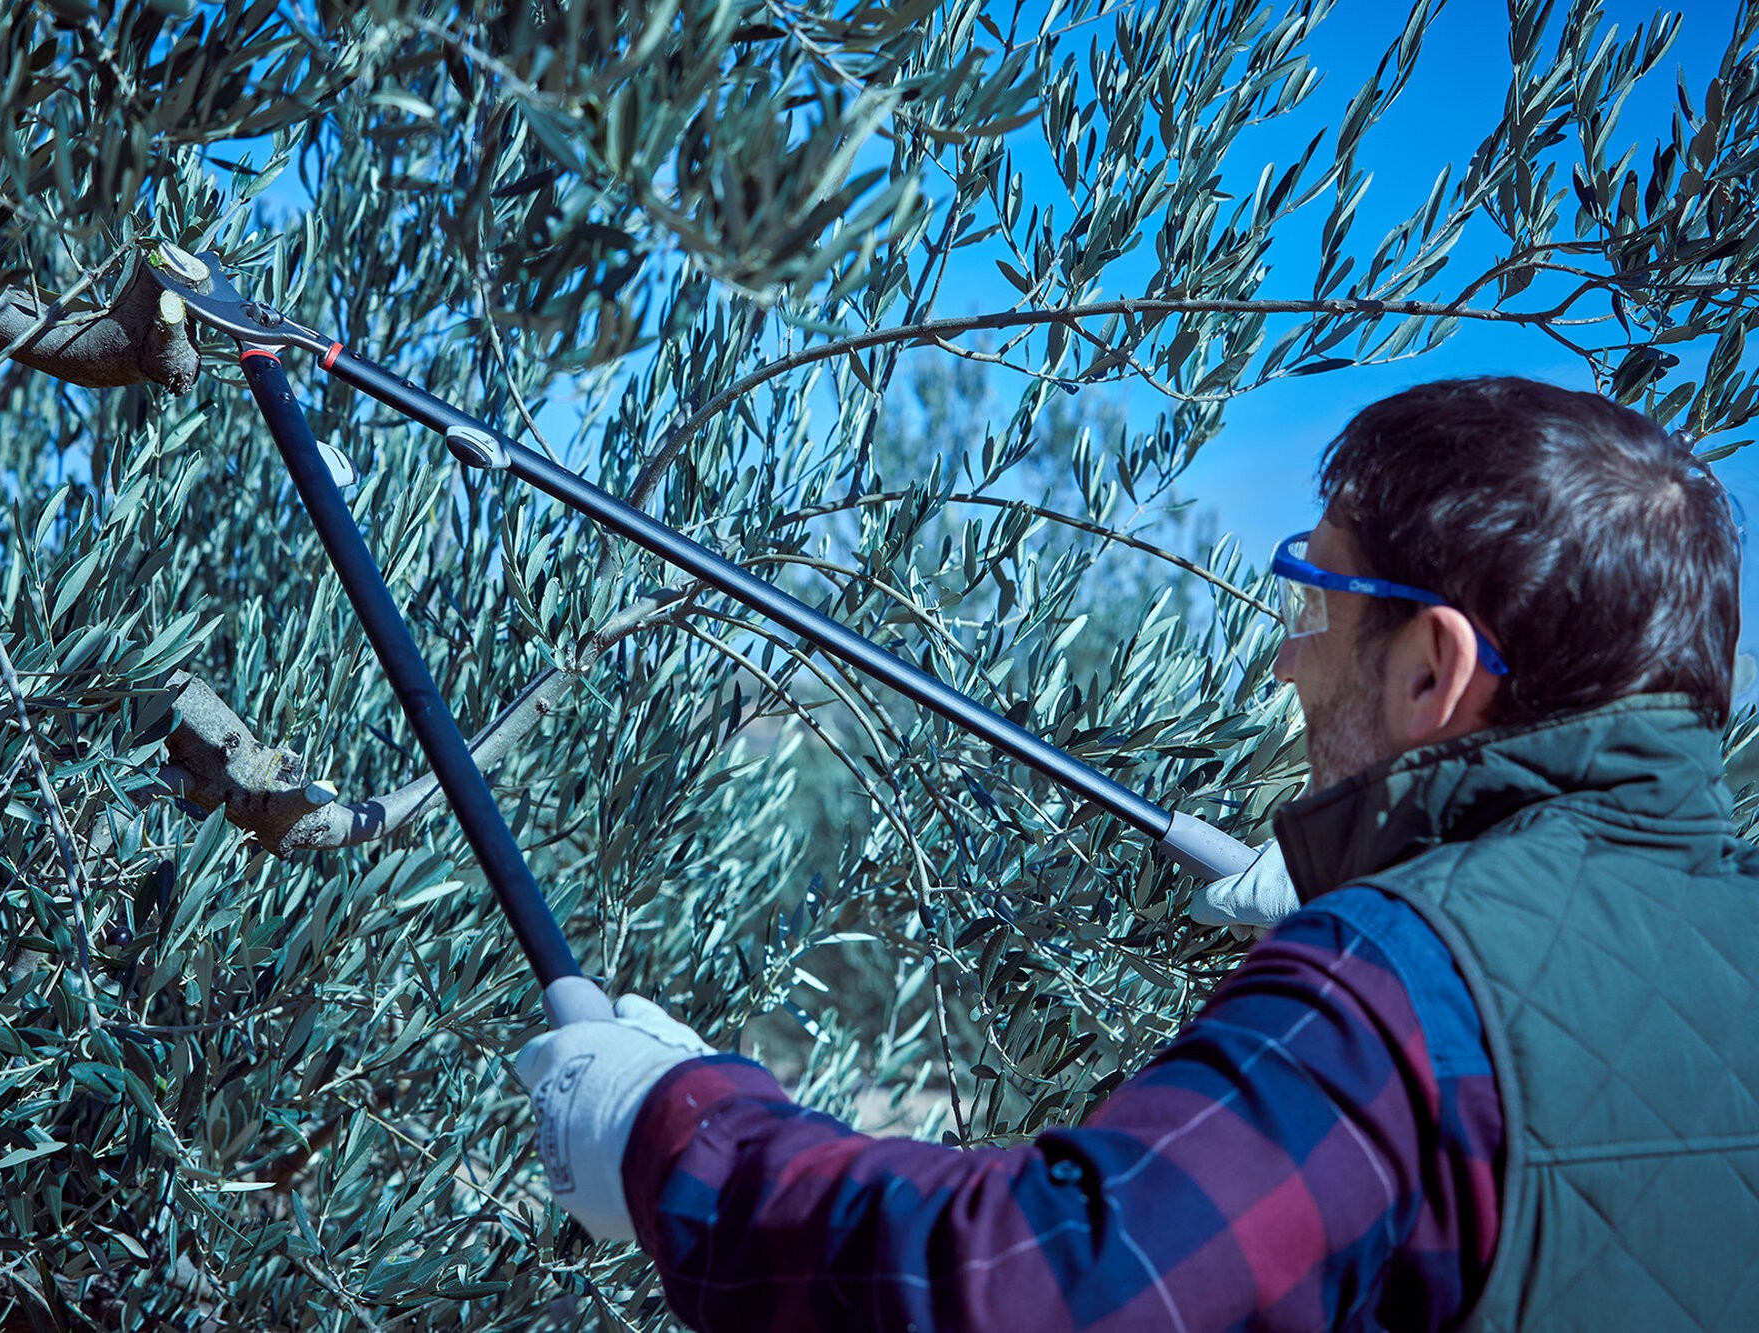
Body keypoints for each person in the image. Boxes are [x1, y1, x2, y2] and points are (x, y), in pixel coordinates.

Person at [517, 377, 1759, 1330]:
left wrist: (667, 1133)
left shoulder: (1387, 993)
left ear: (1430, 670)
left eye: (1313, 601)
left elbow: (1020, 1292)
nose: (1287, 660)